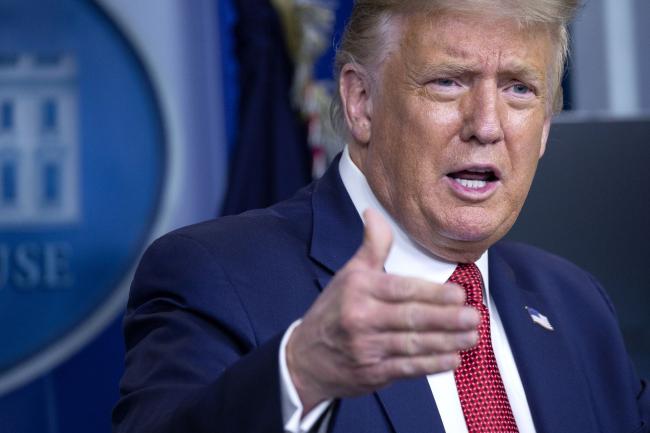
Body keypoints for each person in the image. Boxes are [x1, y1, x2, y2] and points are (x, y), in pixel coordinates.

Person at [112, 1, 649, 432]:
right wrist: (300, 373)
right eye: (449, 81)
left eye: (519, 89)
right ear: (361, 102)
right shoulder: (214, 276)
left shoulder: (578, 306)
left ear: (546, 129)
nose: (486, 125)